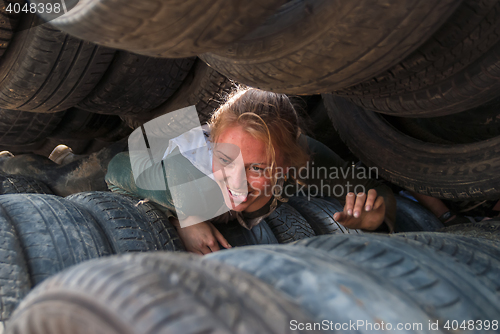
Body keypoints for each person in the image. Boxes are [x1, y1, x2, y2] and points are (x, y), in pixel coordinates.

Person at [105, 88, 397, 254]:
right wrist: (186, 215)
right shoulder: (186, 175)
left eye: (258, 167)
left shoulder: (306, 160)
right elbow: (116, 169)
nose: (238, 183)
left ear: (288, 164)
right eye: (225, 158)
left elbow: (373, 188)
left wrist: (378, 219)